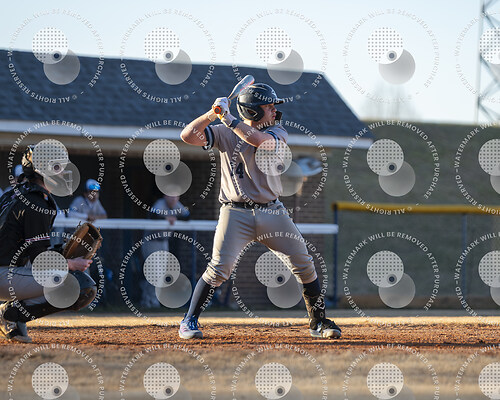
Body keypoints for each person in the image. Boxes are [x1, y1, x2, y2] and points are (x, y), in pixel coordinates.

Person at [178, 83, 341, 339]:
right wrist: (212, 114)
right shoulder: (224, 131)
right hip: (234, 213)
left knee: (304, 264)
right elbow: (187, 136)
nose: (274, 110)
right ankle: (189, 321)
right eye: (268, 106)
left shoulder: (277, 131)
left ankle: (318, 323)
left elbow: (259, 141)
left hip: (272, 211)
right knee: (219, 269)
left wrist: (228, 118)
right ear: (253, 111)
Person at [0, 146, 96, 342]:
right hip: (4, 273)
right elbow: (39, 260)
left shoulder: (16, 193)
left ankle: (13, 317)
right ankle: (9, 315)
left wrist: (60, 252)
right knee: (78, 285)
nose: (62, 171)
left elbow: (29, 249)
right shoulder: (36, 201)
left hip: (8, 269)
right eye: (57, 166)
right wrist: (71, 264)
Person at [140, 195, 190, 308]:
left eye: (176, 197)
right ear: (165, 196)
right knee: (153, 272)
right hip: (152, 241)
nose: (174, 199)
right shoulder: (160, 203)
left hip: (164, 242)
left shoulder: (177, 205)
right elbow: (153, 215)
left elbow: (187, 216)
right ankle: (149, 301)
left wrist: (175, 218)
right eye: (171, 196)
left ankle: (152, 301)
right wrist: (166, 218)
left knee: (161, 273)